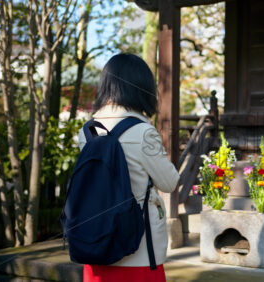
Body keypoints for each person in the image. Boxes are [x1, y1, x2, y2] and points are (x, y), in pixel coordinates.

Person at [78, 53, 179, 282]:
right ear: (141, 87)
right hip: (138, 250)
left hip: (94, 241)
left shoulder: (87, 131)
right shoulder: (143, 131)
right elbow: (169, 182)